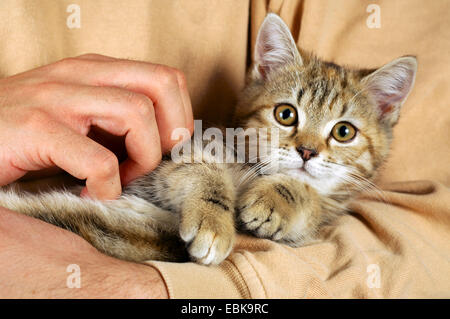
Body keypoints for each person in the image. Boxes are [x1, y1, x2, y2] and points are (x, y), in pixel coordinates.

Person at [0, 0, 449, 298]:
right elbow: (189, 166)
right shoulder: (234, 151)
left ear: (386, 112)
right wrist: (211, 197)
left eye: (344, 133)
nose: (308, 148)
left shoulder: (324, 207)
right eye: (287, 117)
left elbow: (429, 241)